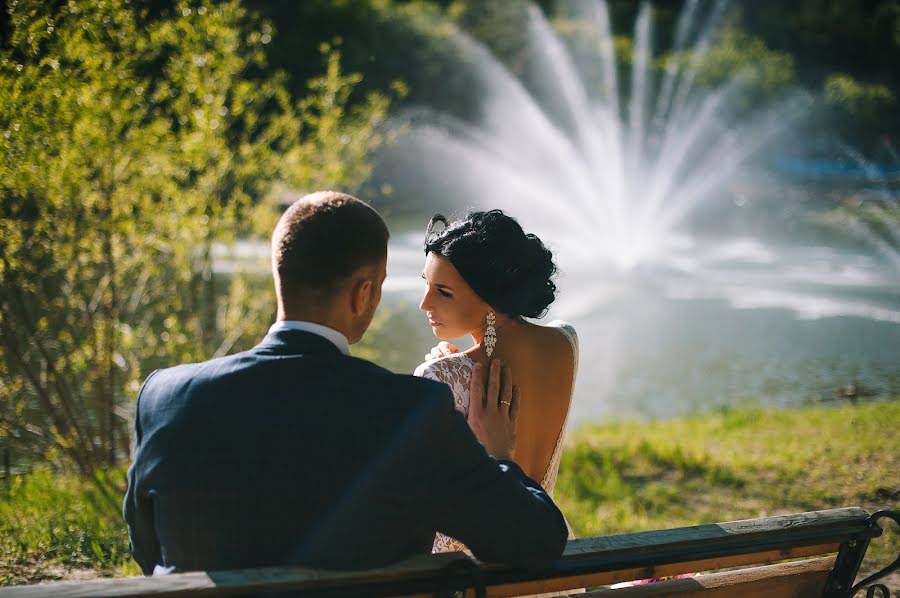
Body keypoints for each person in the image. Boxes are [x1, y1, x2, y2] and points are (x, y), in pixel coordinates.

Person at [123, 191, 568, 576]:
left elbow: (148, 551)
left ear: (281, 276)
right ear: (363, 293)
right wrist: (496, 456)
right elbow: (537, 540)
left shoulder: (164, 396)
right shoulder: (409, 411)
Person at [414, 210, 578, 554]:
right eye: (426, 285)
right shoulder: (565, 342)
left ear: (489, 297)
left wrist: (444, 375)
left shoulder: (438, 379)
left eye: (443, 292)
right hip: (543, 549)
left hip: (468, 572)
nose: (424, 303)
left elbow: (421, 503)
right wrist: (452, 366)